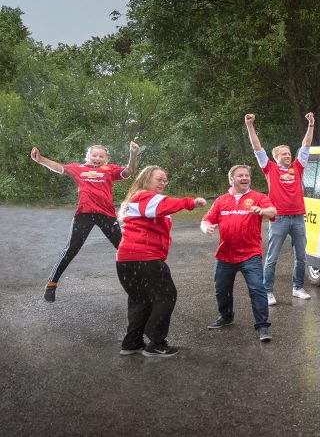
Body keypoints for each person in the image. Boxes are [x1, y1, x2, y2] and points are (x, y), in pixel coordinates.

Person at [31, 141, 139, 302]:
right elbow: (58, 167)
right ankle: (51, 284)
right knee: (71, 249)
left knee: (123, 248)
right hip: (84, 214)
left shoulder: (110, 170)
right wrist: (41, 160)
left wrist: (133, 153)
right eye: (94, 155)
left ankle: (140, 282)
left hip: (106, 215)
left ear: (106, 159)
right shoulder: (78, 168)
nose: (97, 158)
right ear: (87, 156)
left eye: (101, 156)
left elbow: (129, 171)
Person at [116, 166, 206, 358]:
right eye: (159, 179)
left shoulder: (136, 200)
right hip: (145, 257)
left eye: (165, 180)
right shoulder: (144, 197)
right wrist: (190, 202)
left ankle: (132, 343)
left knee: (140, 300)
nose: (163, 183)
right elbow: (165, 205)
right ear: (146, 179)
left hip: (126, 259)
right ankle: (156, 343)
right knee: (166, 295)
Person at [201, 165, 276, 342]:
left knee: (257, 289)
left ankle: (262, 326)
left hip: (250, 254)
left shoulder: (258, 197)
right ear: (231, 179)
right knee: (221, 290)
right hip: (225, 255)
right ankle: (226, 317)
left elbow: (273, 212)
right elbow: (206, 220)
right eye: (240, 175)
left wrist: (262, 211)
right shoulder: (221, 201)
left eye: (247, 175)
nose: (245, 178)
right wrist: (206, 228)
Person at [245, 112, 314, 304]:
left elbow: (306, 146)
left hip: (298, 217)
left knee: (301, 257)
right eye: (284, 154)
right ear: (275, 157)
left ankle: (298, 287)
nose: (288, 155)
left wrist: (311, 125)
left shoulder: (298, 167)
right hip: (279, 219)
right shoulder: (269, 168)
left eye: (289, 153)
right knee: (271, 258)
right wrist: (250, 126)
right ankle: (267, 291)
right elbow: (257, 147)